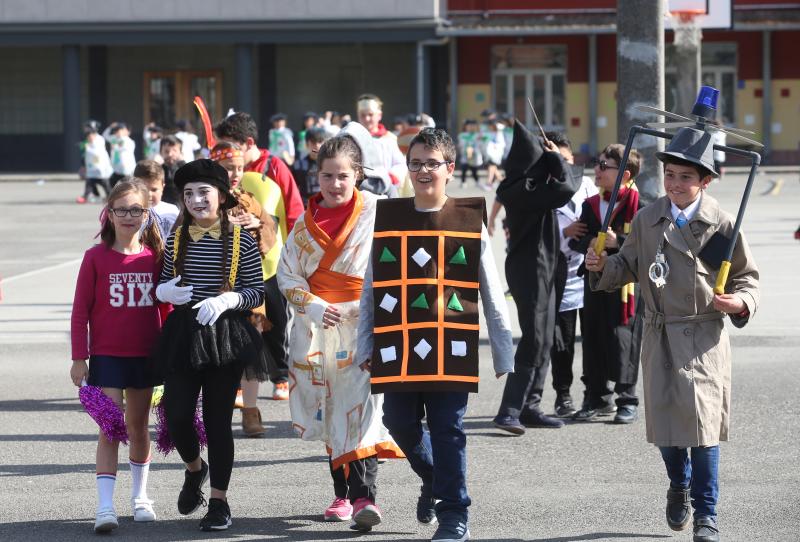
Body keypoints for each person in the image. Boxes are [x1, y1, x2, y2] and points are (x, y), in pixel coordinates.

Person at [584, 127, 759, 542]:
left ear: (705, 181)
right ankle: (677, 484)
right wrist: (601, 266)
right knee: (667, 433)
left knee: (703, 431)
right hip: (660, 335)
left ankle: (706, 516)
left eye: (686, 177)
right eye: (671, 175)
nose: (676, 184)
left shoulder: (720, 224)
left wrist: (741, 303)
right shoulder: (648, 219)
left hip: (704, 337)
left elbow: (748, 278)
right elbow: (624, 266)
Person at [356, 128, 514, 542]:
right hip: (398, 343)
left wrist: (502, 350)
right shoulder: (388, 216)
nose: (423, 171)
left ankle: (454, 513)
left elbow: (489, 287)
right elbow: (372, 286)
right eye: (416, 163)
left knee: (449, 429)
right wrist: (365, 344)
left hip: (451, 343)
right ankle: (433, 478)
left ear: (450, 168)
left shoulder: (467, 219)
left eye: (432, 163)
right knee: (399, 422)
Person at [278, 133, 402, 532]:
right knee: (330, 409)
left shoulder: (380, 212)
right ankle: (341, 492)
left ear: (358, 175)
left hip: (364, 324)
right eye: (327, 176)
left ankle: (366, 496)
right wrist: (313, 304)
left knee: (360, 409)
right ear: (317, 176)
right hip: (316, 328)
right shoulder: (303, 224)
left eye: (343, 176)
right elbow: (287, 274)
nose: (335, 184)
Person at [153, 159, 267, 532]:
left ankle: (218, 502)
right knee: (179, 414)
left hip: (225, 336)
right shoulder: (176, 238)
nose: (196, 199)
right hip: (184, 334)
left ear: (220, 196)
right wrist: (162, 290)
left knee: (219, 423)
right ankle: (194, 469)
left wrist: (229, 300)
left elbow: (255, 291)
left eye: (204, 192)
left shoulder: (241, 240)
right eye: (188, 194)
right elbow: (165, 281)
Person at [70, 179, 164, 533]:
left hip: (146, 357)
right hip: (107, 356)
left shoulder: (155, 258)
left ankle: (140, 498)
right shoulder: (95, 258)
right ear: (108, 214)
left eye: (136, 210)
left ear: (146, 213)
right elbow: (80, 312)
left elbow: (167, 307)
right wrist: (80, 357)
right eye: (121, 210)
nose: (128, 216)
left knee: (139, 427)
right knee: (110, 429)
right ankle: (105, 506)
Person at [492, 121, 581, 435]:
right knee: (535, 337)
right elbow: (568, 186)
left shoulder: (527, 185)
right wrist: (556, 159)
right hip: (531, 267)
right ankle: (510, 410)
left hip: (545, 264)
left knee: (546, 336)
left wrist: (555, 160)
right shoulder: (524, 188)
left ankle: (531, 405)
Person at [215, 111, 304, 400]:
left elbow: (293, 211)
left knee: (276, 321)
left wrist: (297, 256)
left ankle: (280, 374)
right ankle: (239, 383)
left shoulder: (274, 167)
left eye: (230, 146)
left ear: (248, 143)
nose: (226, 154)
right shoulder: (218, 172)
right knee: (239, 324)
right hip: (232, 267)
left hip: (272, 261)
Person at [569, 144, 644, 424]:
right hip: (594, 280)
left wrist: (619, 243)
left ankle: (627, 398)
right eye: (597, 164)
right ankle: (597, 397)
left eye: (604, 166)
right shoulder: (592, 204)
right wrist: (585, 241)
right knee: (594, 337)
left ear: (624, 174)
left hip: (626, 285)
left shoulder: (641, 206)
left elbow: (648, 246)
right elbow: (578, 238)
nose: (596, 170)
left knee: (623, 339)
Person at [210, 141, 277, 437]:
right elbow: (189, 234)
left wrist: (257, 226)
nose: (235, 174)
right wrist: (225, 224)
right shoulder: (205, 201)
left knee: (251, 349)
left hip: (250, 286)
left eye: (239, 168)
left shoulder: (249, 199)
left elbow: (271, 233)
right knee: (220, 350)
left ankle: (251, 410)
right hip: (217, 288)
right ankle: (219, 409)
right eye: (228, 169)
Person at [547, 132, 598, 418]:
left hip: (588, 271)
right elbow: (528, 233)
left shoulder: (587, 186)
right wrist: (563, 232)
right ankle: (562, 395)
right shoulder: (542, 190)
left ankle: (594, 393)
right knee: (562, 342)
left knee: (592, 339)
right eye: (555, 160)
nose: (562, 166)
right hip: (560, 274)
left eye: (565, 160)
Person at [356, 93, 407, 184]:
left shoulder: (390, 139)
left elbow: (401, 164)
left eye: (370, 114)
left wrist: (390, 178)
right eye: (362, 115)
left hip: (385, 188)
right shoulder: (353, 138)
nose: (367, 119)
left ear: (379, 115)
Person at [134, 159, 180, 240]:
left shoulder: (172, 211)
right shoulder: (129, 213)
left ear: (163, 187)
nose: (149, 194)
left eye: (154, 190)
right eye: (144, 189)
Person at [77, 120, 112, 204]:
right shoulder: (89, 142)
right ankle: (85, 197)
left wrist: (87, 148)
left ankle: (110, 196)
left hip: (100, 169)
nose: (89, 138)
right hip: (92, 169)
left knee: (105, 184)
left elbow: (96, 153)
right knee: (89, 183)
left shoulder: (99, 140)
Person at [292, 127, 329, 206]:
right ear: (306, 144)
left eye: (320, 141)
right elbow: (292, 190)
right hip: (306, 208)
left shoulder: (331, 165)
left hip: (327, 207)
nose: (317, 145)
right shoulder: (298, 166)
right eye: (313, 142)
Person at [103, 122, 137, 188]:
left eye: (120, 130)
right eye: (116, 131)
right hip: (116, 169)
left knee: (127, 187)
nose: (117, 132)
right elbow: (105, 135)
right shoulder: (114, 139)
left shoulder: (128, 141)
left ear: (125, 131)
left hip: (127, 170)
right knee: (112, 184)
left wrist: (115, 147)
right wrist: (110, 127)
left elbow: (123, 148)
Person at [159, 135, 185, 205]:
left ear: (180, 152)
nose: (170, 154)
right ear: (161, 152)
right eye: (166, 151)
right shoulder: (157, 171)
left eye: (174, 150)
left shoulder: (186, 170)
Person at [457, 119, 483, 188]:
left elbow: (480, 144)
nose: (471, 127)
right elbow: (461, 144)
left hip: (474, 154)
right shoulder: (462, 135)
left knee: (473, 169)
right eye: (469, 126)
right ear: (465, 127)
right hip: (465, 154)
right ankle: (463, 182)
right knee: (464, 168)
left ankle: (477, 181)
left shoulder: (477, 135)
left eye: (473, 126)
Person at [480, 120, 505, 191]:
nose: (489, 127)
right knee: (494, 169)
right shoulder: (492, 133)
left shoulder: (498, 133)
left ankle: (489, 183)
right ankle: (503, 182)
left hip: (495, 155)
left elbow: (500, 144)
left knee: (491, 167)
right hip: (491, 154)